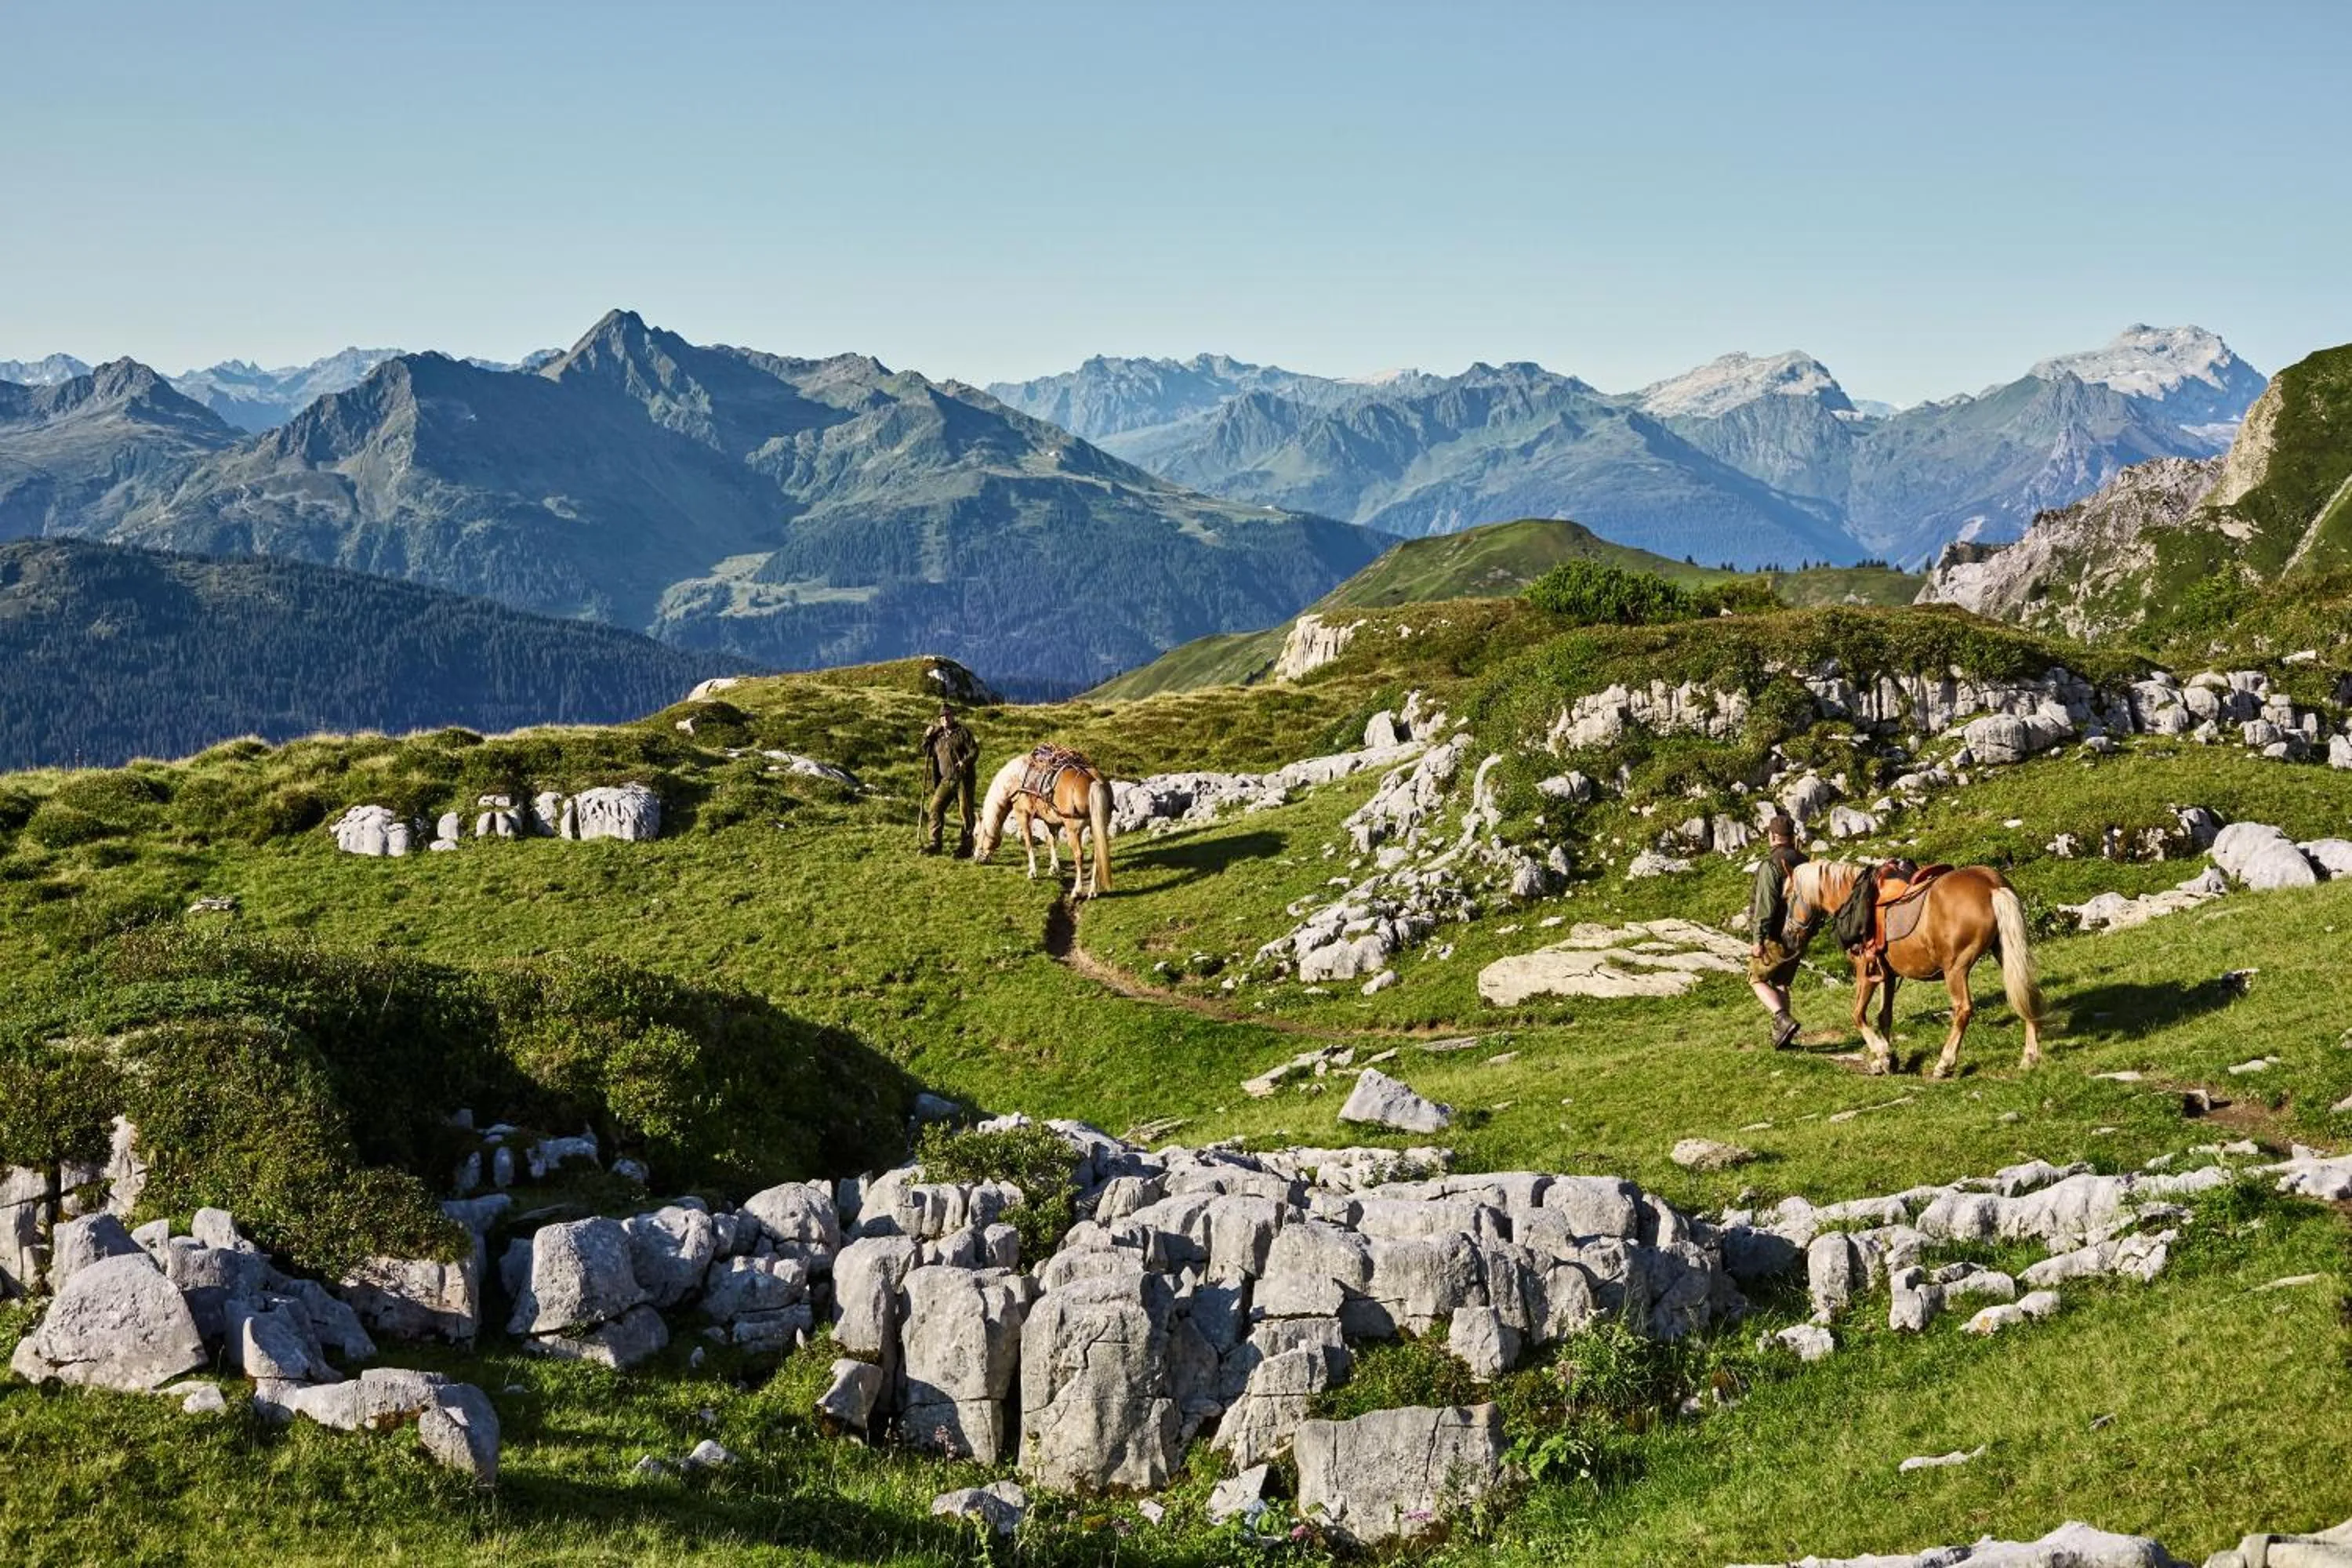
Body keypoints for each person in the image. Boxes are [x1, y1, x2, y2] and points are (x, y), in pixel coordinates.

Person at [1748, 815, 1809, 1050]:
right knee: (1781, 982)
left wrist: (1758, 939)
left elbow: (1765, 906)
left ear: (1772, 836)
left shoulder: (1772, 864)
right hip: (1799, 934)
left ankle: (1782, 1018)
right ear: (1792, 836)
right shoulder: (1805, 861)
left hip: (1775, 935)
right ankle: (1784, 1038)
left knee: (1756, 978)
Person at [918, 703, 979, 857]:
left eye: (948, 715)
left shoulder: (963, 733)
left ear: (953, 716)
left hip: (963, 779)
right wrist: (927, 736)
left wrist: (965, 762)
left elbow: (974, 751)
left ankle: (966, 847)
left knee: (966, 813)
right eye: (942, 717)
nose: (945, 719)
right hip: (946, 780)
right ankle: (935, 844)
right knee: (935, 808)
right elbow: (926, 751)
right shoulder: (937, 736)